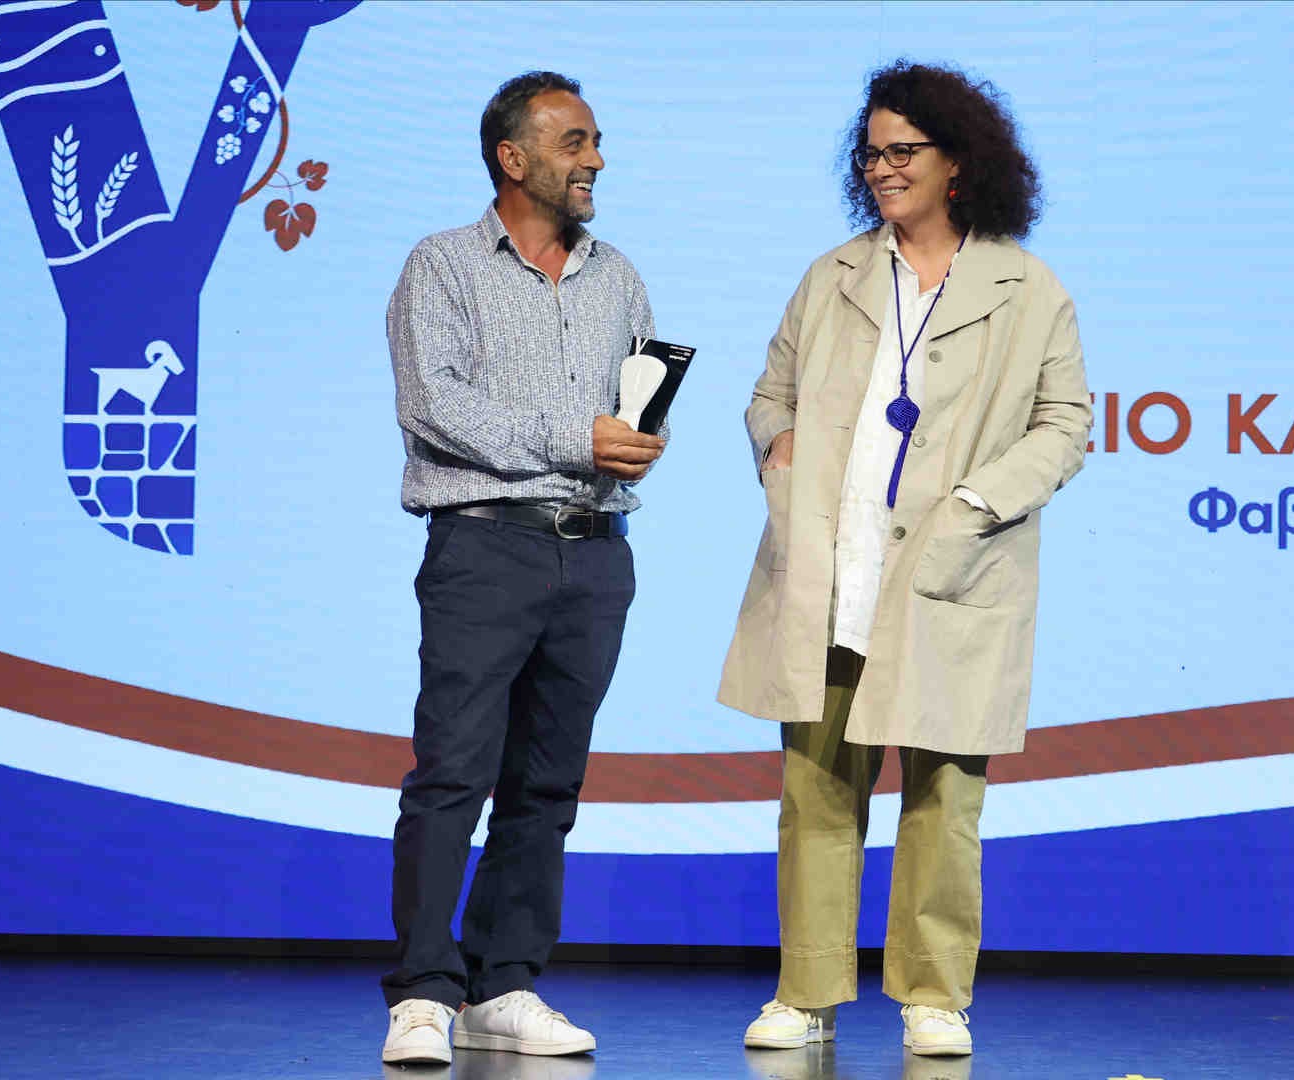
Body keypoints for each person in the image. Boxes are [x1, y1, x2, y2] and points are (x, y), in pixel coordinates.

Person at [718, 60, 1091, 1058]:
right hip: (831, 568)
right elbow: (770, 393)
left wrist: (978, 504)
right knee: (816, 793)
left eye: (902, 151)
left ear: (958, 162)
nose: (882, 168)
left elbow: (1066, 423)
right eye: (870, 154)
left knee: (942, 798)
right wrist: (778, 446)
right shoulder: (833, 274)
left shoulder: (1025, 287)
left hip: (950, 573)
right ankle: (806, 994)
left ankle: (934, 995)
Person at [379, 70, 667, 1066]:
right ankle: (423, 992)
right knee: (453, 772)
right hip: (484, 547)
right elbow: (433, 405)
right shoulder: (444, 265)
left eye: (595, 142)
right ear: (513, 157)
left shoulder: (618, 275)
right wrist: (577, 437)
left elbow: (634, 416)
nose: (596, 161)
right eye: (575, 142)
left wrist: (633, 442)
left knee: (546, 786)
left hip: (596, 553)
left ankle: (504, 983)